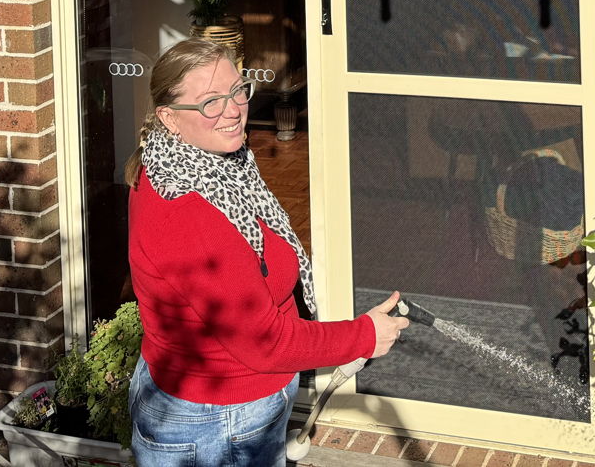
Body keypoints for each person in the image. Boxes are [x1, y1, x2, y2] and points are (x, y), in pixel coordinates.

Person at [125, 37, 408, 466]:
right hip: (217, 424)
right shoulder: (187, 207)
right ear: (169, 117)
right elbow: (264, 342)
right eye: (210, 102)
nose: (234, 109)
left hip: (222, 408)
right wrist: (364, 336)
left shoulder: (200, 164)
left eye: (238, 90)